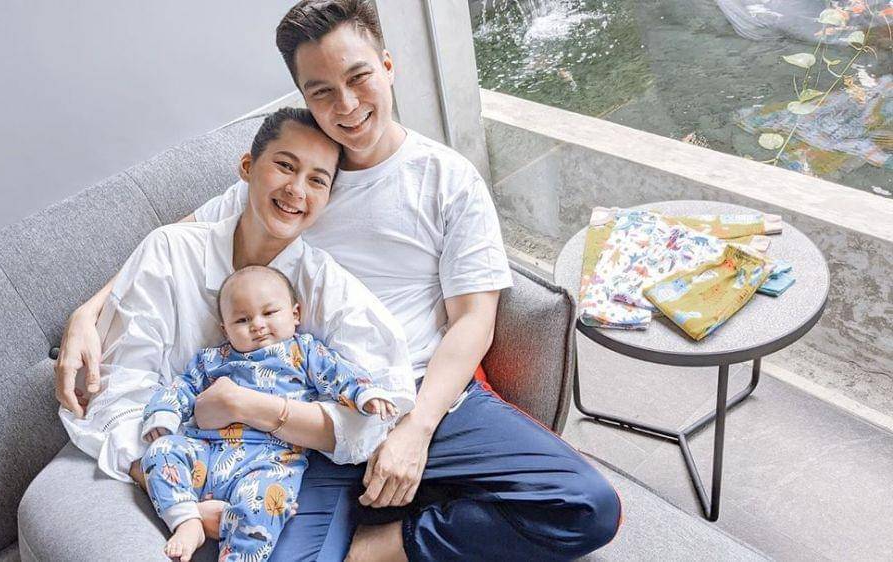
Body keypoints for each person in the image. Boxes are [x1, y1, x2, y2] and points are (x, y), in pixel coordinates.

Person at [53, 1, 622, 560]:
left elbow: (474, 319)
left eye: (358, 77)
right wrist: (89, 311)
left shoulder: (446, 178)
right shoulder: (291, 177)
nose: (346, 106)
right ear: (304, 98)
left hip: (422, 397)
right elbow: (183, 237)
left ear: (388, 66)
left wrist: (416, 429)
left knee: (585, 506)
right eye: (322, 91)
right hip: (305, 414)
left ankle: (377, 546)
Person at [141, 265, 401, 562]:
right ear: (225, 330)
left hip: (271, 460)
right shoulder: (212, 360)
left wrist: (364, 394)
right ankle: (187, 521)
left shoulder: (304, 351)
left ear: (295, 314)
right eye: (242, 320)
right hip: (207, 451)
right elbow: (182, 387)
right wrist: (163, 413)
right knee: (162, 450)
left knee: (267, 504)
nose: (257, 325)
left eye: (269, 313)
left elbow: (338, 374)